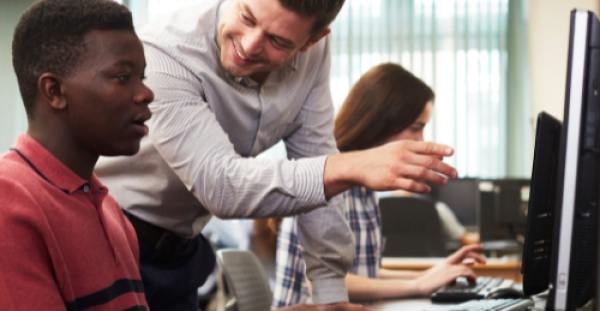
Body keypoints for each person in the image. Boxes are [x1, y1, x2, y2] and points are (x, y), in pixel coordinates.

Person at [95, 1, 458, 310]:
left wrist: (330, 295)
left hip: (182, 250)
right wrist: (352, 165)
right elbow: (221, 185)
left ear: (313, 40)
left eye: (278, 41)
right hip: (109, 241)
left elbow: (315, 157)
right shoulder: (164, 50)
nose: (250, 46)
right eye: (248, 17)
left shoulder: (314, 54)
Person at [272, 63, 486, 307]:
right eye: (416, 128)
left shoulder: (364, 188)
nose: (420, 140)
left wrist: (432, 277)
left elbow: (364, 274)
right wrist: (416, 285)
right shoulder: (329, 178)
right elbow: (322, 282)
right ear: (381, 121)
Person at [0, 0, 154, 309]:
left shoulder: (110, 210)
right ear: (54, 91)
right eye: (123, 77)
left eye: (142, 77)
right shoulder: (9, 202)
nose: (145, 94)